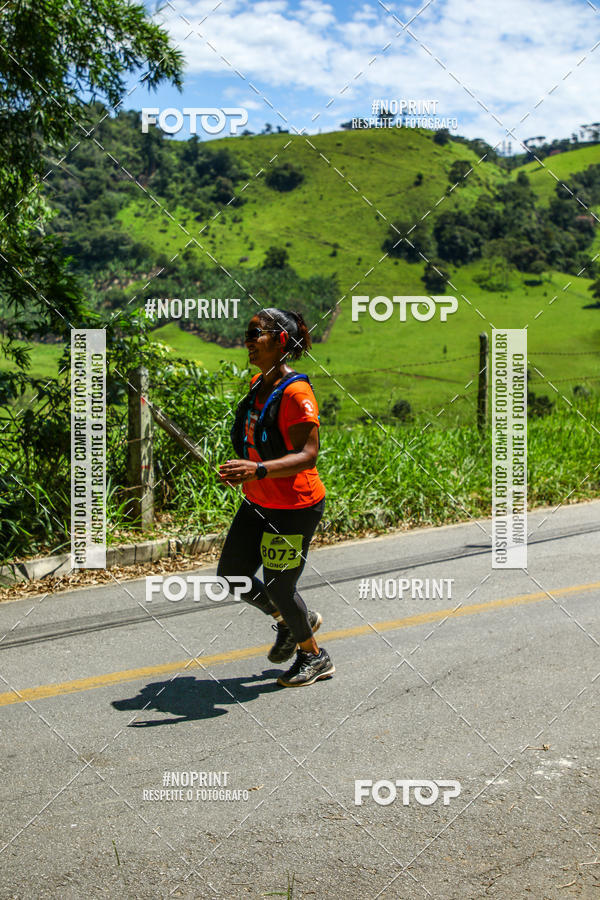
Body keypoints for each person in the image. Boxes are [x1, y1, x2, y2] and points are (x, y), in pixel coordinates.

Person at [217, 308, 334, 688]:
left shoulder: (296, 392)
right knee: (233, 576)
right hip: (258, 500)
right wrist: (244, 472)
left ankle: (314, 656)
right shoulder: (258, 383)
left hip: (294, 506)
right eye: (247, 334)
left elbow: (308, 455)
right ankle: (290, 619)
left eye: (256, 334)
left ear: (280, 341)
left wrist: (258, 470)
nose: (248, 341)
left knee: (280, 586)